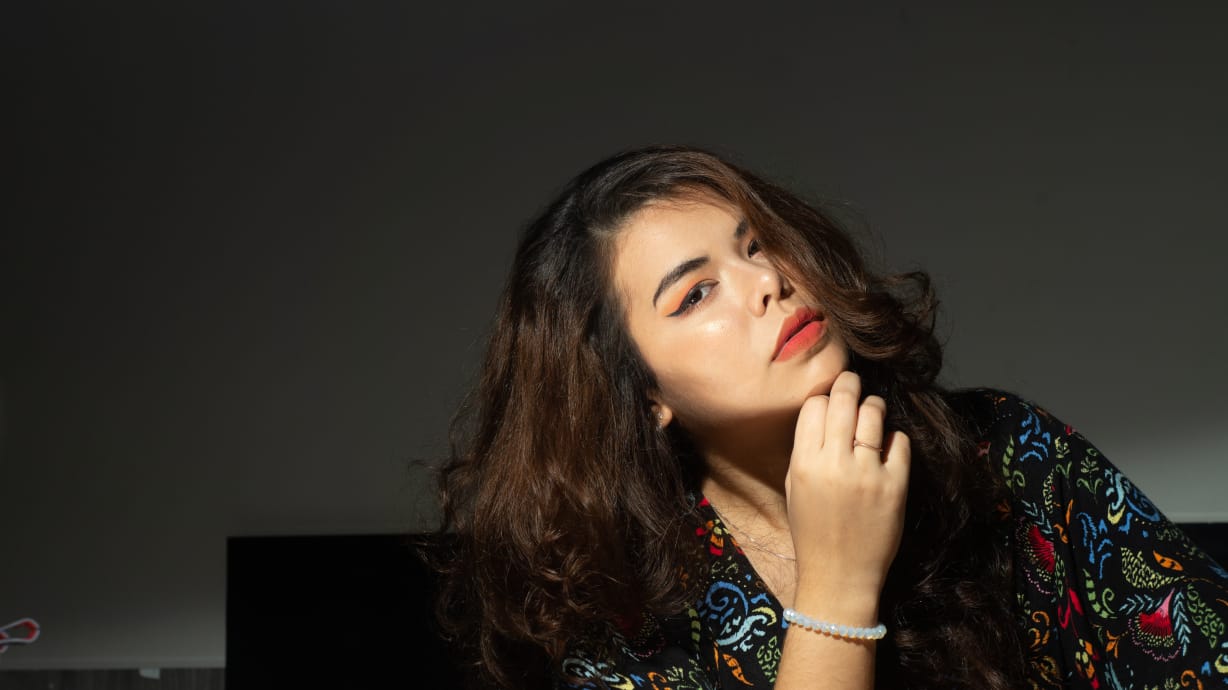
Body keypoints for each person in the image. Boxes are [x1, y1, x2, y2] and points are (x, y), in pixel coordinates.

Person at [430, 144, 1228, 689]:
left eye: (757, 245)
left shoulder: (1004, 451)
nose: (769, 282)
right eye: (696, 293)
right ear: (644, 396)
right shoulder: (622, 618)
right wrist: (839, 589)